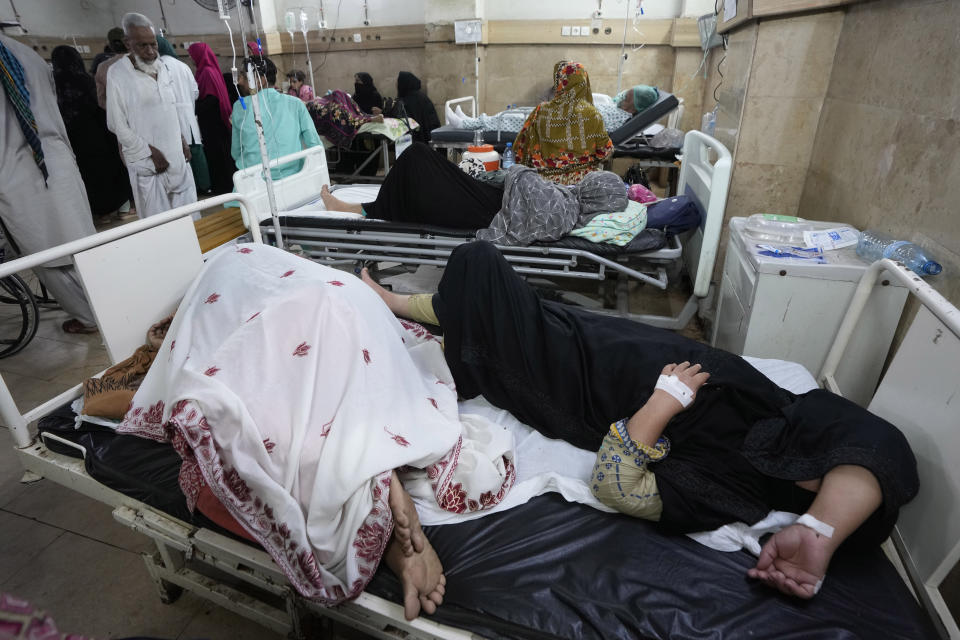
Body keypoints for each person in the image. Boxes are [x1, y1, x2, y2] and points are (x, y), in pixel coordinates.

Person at [359, 240, 920, 601]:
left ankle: (429, 333)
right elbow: (882, 446)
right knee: (513, 294)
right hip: (596, 340)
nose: (830, 473)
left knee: (478, 264)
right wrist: (821, 527)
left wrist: (662, 405)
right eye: (840, 474)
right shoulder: (789, 415)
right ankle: (416, 315)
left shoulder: (730, 493)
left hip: (568, 386)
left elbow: (616, 484)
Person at [117, 243, 516, 619]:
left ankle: (373, 481)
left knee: (279, 400)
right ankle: (377, 469)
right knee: (329, 366)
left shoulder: (222, 270)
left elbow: (184, 357)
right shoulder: (243, 261)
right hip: (338, 301)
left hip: (310, 303)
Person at [318, 142, 627, 245]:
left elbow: (525, 204)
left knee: (417, 157)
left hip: (487, 213)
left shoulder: (565, 211)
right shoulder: (570, 200)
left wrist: (515, 174)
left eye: (595, 180)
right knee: (420, 160)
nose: (589, 178)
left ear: (596, 193)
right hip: (488, 201)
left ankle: (359, 210)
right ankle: (363, 208)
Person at [0, 34, 99, 334]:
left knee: (48, 256)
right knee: (82, 245)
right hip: (56, 157)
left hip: (18, 170)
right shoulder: (24, 53)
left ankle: (89, 317)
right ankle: (105, 306)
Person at [106, 13, 197, 219]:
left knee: (190, 222)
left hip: (177, 158)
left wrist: (181, 140)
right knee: (160, 228)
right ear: (128, 43)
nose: (150, 51)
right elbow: (116, 124)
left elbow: (170, 109)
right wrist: (148, 152)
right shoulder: (118, 74)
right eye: (142, 46)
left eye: (153, 44)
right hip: (149, 165)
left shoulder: (163, 67)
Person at [50, 45, 131, 220]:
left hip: (72, 141)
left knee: (89, 176)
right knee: (109, 172)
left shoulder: (52, 86)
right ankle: (122, 208)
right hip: (98, 136)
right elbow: (101, 107)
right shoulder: (85, 81)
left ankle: (102, 213)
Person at [514, 61, 613, 185]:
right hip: (583, 184)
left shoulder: (541, 111)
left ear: (559, 82)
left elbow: (523, 147)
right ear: (583, 82)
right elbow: (604, 152)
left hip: (547, 185)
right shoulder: (592, 114)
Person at [230, 56, 321, 180]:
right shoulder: (295, 104)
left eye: (243, 77)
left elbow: (236, 151)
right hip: (295, 179)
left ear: (259, 80)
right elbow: (315, 145)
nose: (239, 82)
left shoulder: (241, 107)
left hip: (254, 183)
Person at [446, 84, 660, 135]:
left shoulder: (619, 117)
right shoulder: (618, 110)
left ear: (633, 105)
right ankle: (471, 120)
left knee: (510, 118)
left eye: (628, 96)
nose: (624, 96)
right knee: (516, 112)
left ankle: (465, 125)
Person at [157, 35, 208, 194]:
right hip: (188, 112)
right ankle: (205, 186)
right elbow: (195, 91)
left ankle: (190, 188)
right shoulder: (183, 66)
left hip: (173, 114)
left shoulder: (159, 66)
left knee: (182, 155)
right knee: (196, 151)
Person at [188, 42, 235, 195]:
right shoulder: (206, 71)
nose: (190, 58)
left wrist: (193, 107)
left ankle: (224, 186)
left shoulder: (207, 72)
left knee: (218, 154)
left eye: (192, 55)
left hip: (213, 122)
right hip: (212, 122)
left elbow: (212, 98)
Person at [306, 89, 382, 149]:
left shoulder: (307, 102)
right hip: (326, 113)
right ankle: (368, 119)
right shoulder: (303, 109)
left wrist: (320, 99)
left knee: (337, 93)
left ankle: (367, 117)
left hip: (328, 105)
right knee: (342, 116)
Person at [391, 71, 439, 144]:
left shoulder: (405, 101)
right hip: (430, 140)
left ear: (404, 83)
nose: (396, 84)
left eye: (398, 82)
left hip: (415, 143)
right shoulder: (422, 97)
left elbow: (396, 119)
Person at [94, 26, 127, 108]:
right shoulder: (140, 61)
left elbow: (101, 100)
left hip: (117, 114)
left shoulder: (103, 67)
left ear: (110, 45)